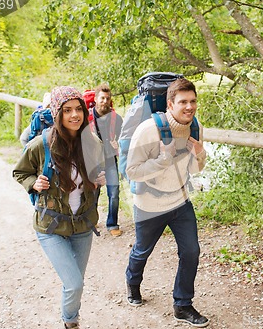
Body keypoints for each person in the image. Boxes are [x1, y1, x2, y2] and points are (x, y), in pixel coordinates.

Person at [13, 86, 106, 329]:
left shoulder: (92, 142)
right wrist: (35, 183)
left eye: (78, 109)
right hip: (51, 226)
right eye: (67, 110)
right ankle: (70, 322)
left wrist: (98, 179)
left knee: (76, 282)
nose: (74, 115)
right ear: (57, 114)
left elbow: (94, 174)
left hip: (83, 224)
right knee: (74, 284)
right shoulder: (40, 144)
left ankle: (70, 318)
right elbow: (19, 172)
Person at [124, 78, 209, 327]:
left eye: (193, 101)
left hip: (180, 200)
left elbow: (195, 169)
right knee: (142, 250)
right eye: (183, 102)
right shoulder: (148, 130)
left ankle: (182, 305)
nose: (189, 107)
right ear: (170, 104)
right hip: (149, 204)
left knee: (191, 251)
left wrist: (200, 155)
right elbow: (132, 171)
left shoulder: (195, 127)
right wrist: (163, 159)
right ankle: (133, 282)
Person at [89, 84, 124, 236]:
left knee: (114, 192)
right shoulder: (86, 116)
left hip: (110, 160)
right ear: (96, 99)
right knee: (93, 192)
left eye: (107, 98)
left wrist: (119, 144)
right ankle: (92, 220)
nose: (105, 101)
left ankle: (112, 224)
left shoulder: (116, 118)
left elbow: (123, 137)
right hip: (92, 161)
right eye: (102, 98)